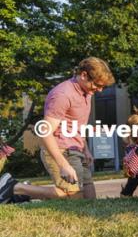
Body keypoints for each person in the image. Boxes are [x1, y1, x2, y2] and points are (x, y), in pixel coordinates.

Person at [0, 57, 115, 203]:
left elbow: (77, 125)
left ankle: (19, 195)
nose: (99, 90)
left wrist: (85, 149)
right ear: (84, 75)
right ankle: (15, 187)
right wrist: (63, 165)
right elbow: (46, 133)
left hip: (76, 149)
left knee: (89, 197)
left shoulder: (87, 92)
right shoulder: (62, 94)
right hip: (60, 150)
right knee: (73, 197)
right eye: (97, 85)